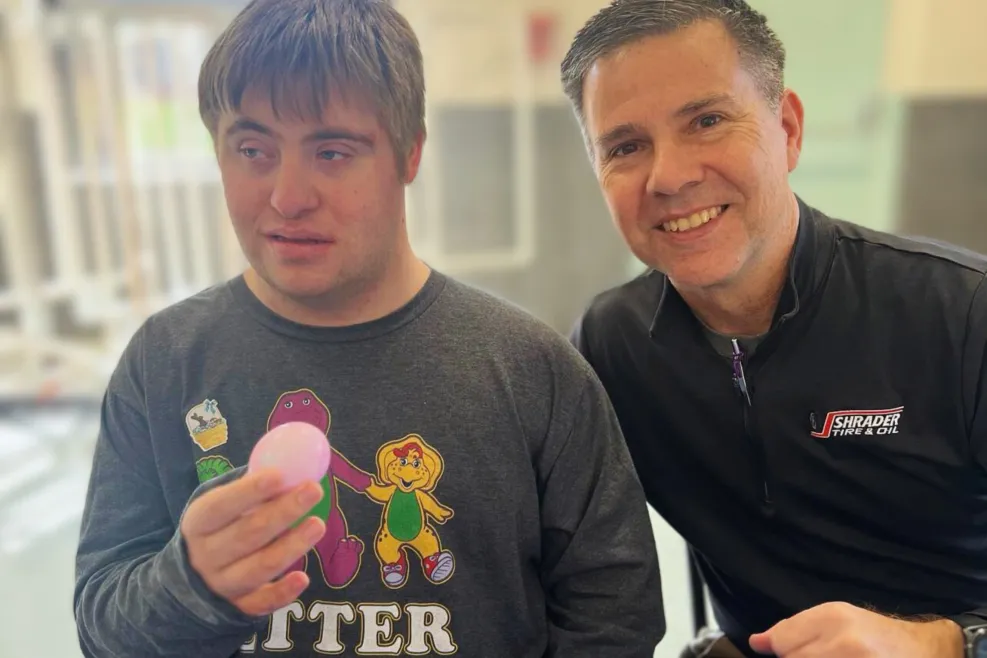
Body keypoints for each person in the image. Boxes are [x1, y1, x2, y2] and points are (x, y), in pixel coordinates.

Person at [72, 0, 666, 656]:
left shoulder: (532, 370)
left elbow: (615, 616)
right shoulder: (165, 361)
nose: (287, 196)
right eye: (252, 149)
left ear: (409, 154)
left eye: (331, 151)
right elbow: (103, 624)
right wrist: (191, 584)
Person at [560, 1, 987, 657]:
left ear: (786, 128)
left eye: (705, 121)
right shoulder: (611, 344)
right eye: (625, 146)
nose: (669, 176)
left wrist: (946, 644)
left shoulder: (961, 315)